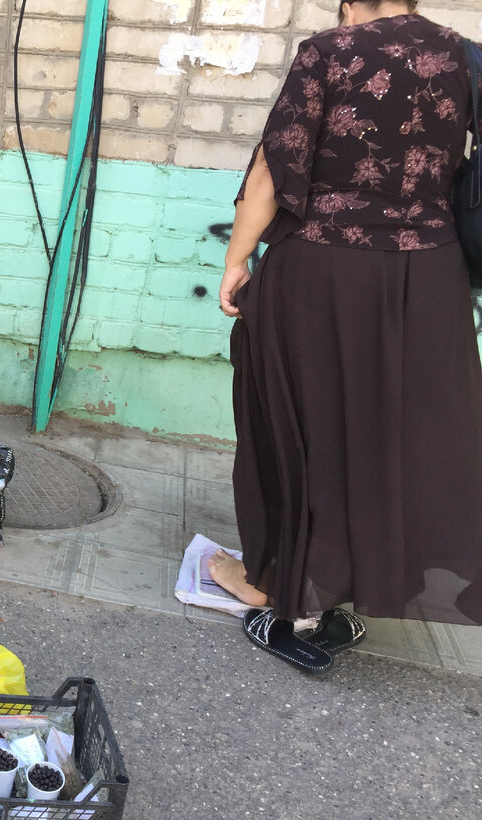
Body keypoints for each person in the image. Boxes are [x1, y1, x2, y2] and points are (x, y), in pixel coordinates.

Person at [214, 0, 482, 672]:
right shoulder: (467, 56)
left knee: (305, 422)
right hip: (432, 276)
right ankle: (355, 591)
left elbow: (275, 168)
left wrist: (236, 260)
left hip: (327, 269)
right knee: (395, 430)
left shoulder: (329, 50)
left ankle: (292, 599)